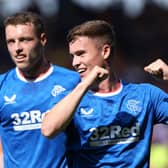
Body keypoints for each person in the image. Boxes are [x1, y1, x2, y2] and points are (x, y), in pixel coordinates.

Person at [41, 20, 168, 168]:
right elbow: (48, 129)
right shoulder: (70, 99)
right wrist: (85, 85)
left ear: (105, 51)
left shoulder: (146, 95)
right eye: (73, 56)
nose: (75, 62)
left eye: (81, 54)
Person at [0, 11, 80, 168]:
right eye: (11, 41)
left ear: (42, 40)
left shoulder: (73, 82)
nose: (17, 48)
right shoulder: (1, 86)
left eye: (24, 40)